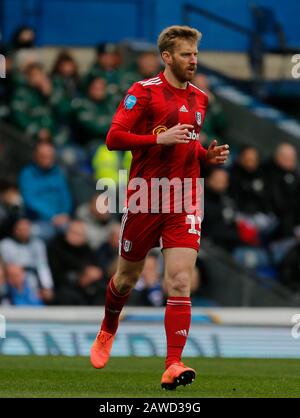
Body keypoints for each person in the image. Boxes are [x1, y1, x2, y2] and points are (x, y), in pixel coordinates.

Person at [90, 25, 229, 390]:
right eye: (186, 54)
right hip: (145, 197)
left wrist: (206, 155)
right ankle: (108, 327)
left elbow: (189, 144)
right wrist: (157, 138)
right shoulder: (143, 93)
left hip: (184, 197)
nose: (193, 60)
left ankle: (172, 364)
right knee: (126, 279)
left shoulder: (201, 97)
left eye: (195, 54)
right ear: (166, 57)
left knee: (180, 280)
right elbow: (113, 138)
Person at [19, 142, 72, 240]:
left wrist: (65, 213)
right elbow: (30, 199)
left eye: (50, 156)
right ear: (35, 156)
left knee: (74, 233)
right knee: (39, 232)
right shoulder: (27, 174)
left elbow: (65, 196)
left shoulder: (58, 173)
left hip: (61, 219)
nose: (47, 160)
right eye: (43, 156)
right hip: (38, 220)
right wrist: (52, 216)